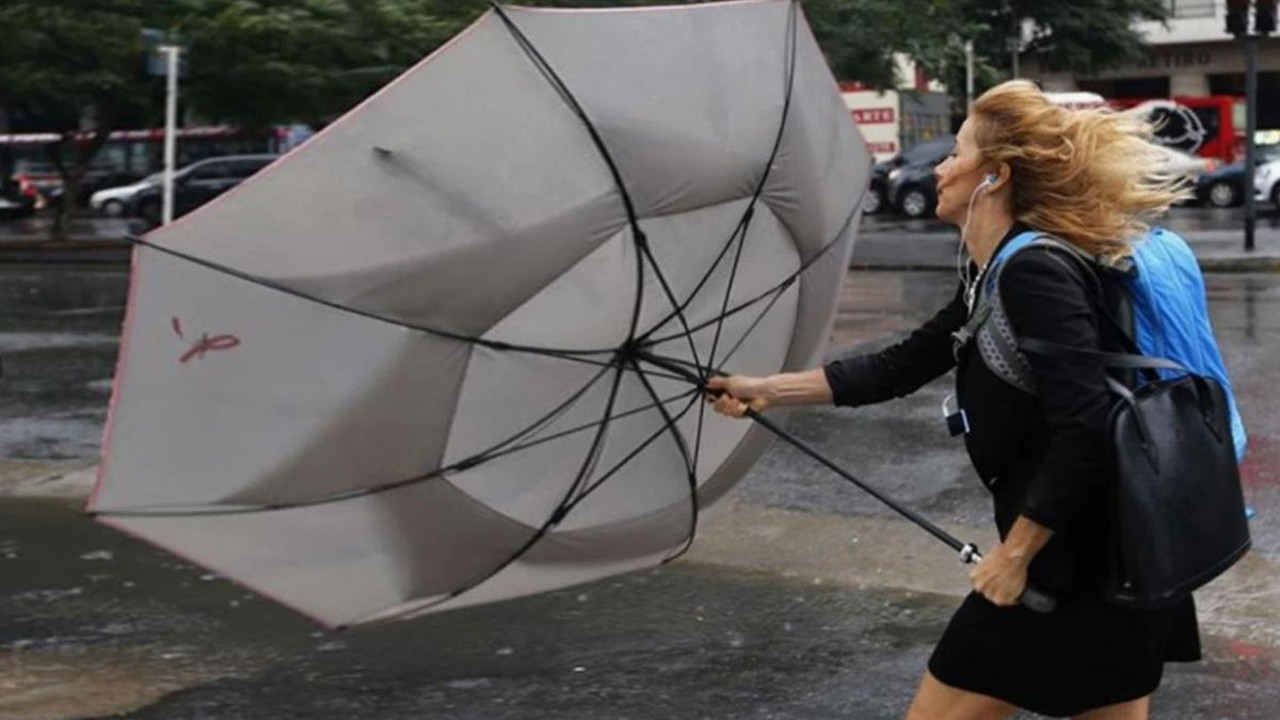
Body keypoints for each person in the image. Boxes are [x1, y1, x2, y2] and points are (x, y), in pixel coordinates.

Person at [706, 80, 1200, 720]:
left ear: (993, 177)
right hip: (1114, 553)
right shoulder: (995, 273)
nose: (939, 165)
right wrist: (765, 389)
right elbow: (900, 365)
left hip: (1078, 564)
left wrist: (1014, 556)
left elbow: (1087, 425)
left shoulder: (1034, 273)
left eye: (955, 152)